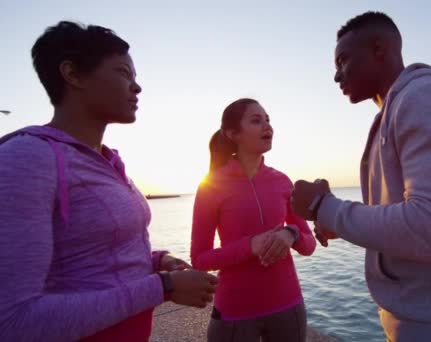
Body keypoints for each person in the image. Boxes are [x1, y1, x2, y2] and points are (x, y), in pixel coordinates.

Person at [0, 21, 217, 341]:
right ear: (72, 75)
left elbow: (90, 257)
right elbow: (14, 323)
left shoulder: (108, 161)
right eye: (123, 73)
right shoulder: (27, 159)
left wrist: (156, 261)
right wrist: (163, 287)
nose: (137, 87)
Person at [290, 11, 431, 342]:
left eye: (343, 60)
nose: (336, 76)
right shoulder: (400, 108)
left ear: (379, 49)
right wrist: (340, 222)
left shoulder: (424, 98)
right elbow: (419, 218)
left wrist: (323, 206)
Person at [191, 98, 316, 342]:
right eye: (256, 121)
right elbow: (199, 259)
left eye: (268, 120)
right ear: (233, 133)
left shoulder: (282, 181)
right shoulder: (211, 186)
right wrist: (251, 245)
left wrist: (290, 234)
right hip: (235, 312)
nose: (267, 127)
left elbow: (309, 244)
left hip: (288, 306)